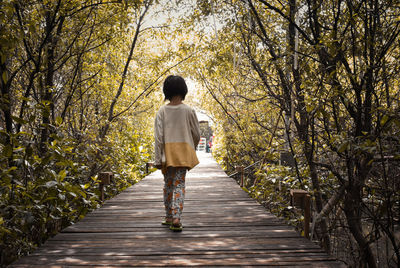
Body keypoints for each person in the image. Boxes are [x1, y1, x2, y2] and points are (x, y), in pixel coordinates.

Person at [154, 75, 200, 232]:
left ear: (166, 91)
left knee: (168, 184)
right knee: (179, 183)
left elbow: (158, 137)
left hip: (167, 152)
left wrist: (158, 157)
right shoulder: (189, 110)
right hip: (183, 152)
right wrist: (190, 147)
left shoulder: (162, 111)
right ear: (184, 90)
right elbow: (196, 133)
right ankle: (176, 218)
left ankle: (168, 216)